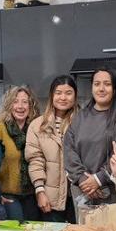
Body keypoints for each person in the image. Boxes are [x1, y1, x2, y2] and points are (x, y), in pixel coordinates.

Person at [63, 67, 116, 215]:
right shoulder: (80, 117)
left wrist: (99, 179)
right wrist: (83, 179)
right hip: (82, 191)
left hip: (113, 191)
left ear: (115, 89)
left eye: (107, 84)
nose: (101, 88)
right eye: (97, 84)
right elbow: (69, 150)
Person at [25, 75, 79, 222]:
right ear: (51, 96)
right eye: (58, 93)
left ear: (75, 96)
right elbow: (35, 161)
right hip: (50, 198)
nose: (63, 97)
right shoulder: (38, 125)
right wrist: (40, 191)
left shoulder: (83, 122)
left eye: (68, 93)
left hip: (79, 196)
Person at [0, 85, 41, 221]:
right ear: (9, 105)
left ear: (31, 106)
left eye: (25, 102)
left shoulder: (36, 128)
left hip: (32, 194)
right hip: (8, 195)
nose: (20, 106)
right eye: (15, 101)